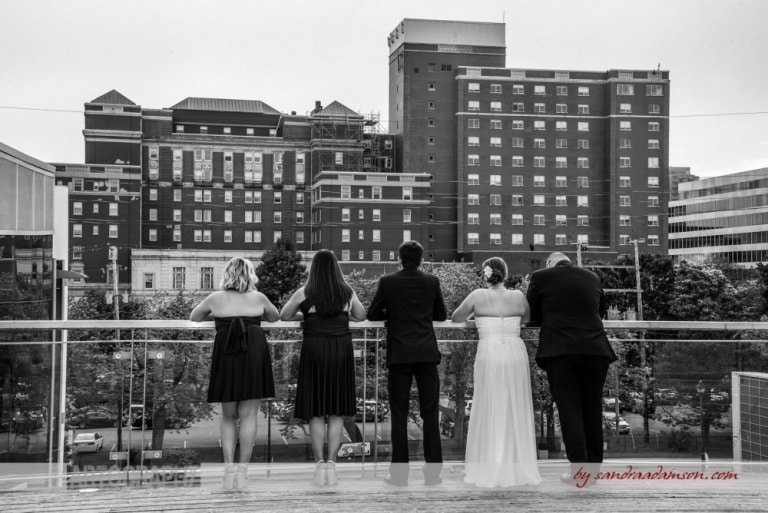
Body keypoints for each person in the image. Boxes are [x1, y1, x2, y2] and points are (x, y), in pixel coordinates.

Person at [525, 252, 617, 486]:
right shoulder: (592, 277)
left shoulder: (540, 277)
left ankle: (579, 470)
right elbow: (601, 310)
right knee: (592, 407)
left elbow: (533, 315)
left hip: (561, 350)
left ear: (550, 264)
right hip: (596, 349)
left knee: (569, 410)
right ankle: (593, 469)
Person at [451, 257, 542, 488]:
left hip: (489, 351)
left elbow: (456, 317)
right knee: (515, 405)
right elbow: (527, 318)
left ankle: (491, 464)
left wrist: (477, 317)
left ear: (486, 274)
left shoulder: (477, 296)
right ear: (506, 273)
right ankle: (515, 465)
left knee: (490, 403)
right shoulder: (518, 297)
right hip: (514, 351)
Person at [190, 257, 279, 491]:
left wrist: (219, 318)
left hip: (227, 355)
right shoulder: (258, 298)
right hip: (254, 354)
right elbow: (274, 316)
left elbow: (194, 317)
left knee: (228, 415)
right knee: (249, 416)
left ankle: (228, 471)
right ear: (250, 275)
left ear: (226, 274)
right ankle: (243, 472)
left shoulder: (215, 298)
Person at [280, 249, 366, 486]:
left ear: (314, 269)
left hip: (314, 350)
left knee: (317, 410)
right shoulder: (346, 292)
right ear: (336, 269)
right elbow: (360, 315)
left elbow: (284, 315)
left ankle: (319, 465)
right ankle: (332, 464)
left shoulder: (305, 292)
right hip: (340, 350)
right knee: (336, 411)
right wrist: (342, 316)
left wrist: (307, 315)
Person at [367, 240, 447, 486]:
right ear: (421, 259)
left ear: (399, 259)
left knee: (399, 414)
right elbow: (442, 315)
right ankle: (432, 474)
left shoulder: (388, 282)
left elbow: (372, 314)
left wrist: (392, 314)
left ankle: (399, 475)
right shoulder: (432, 282)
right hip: (426, 354)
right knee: (430, 413)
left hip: (400, 354)